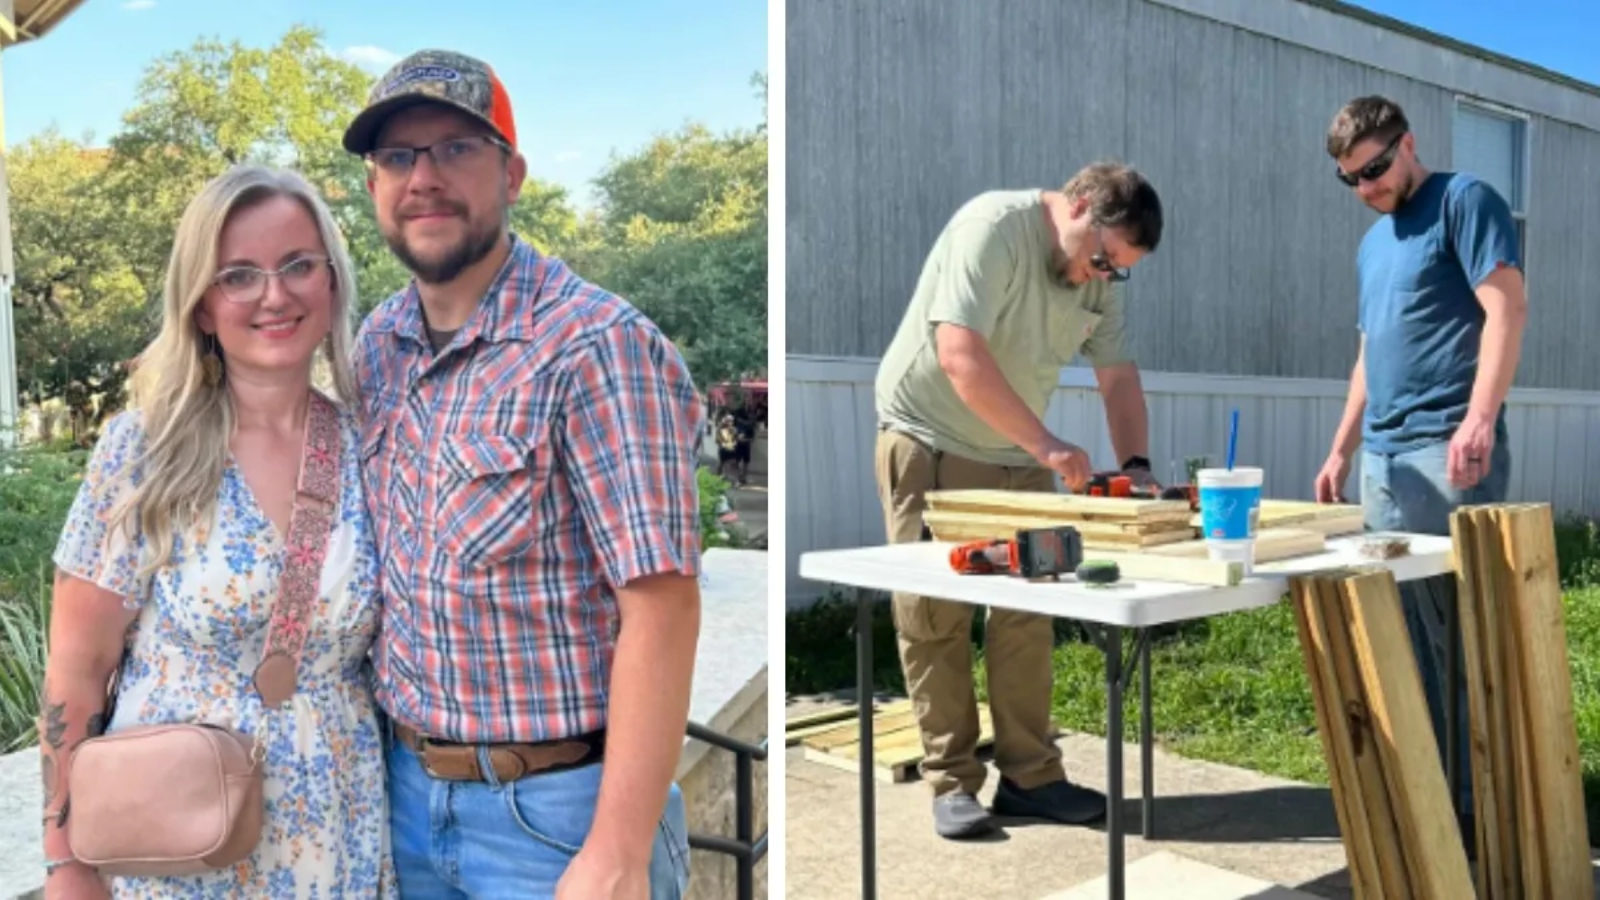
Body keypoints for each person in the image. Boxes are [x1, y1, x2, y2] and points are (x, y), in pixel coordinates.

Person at [342, 50, 702, 899]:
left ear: (513, 173)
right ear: (372, 188)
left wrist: (616, 853)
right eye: (398, 157)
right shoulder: (377, 345)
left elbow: (662, 607)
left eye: (456, 149)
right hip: (403, 801)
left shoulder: (595, 345)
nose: (423, 178)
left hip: (556, 817)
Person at [38, 165, 396, 897]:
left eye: (299, 264)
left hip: (342, 835)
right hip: (179, 849)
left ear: (330, 282)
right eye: (239, 275)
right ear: (202, 305)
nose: (275, 294)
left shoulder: (371, 445)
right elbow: (75, 673)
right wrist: (68, 861)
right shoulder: (143, 451)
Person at [872, 162, 1164, 839]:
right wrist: (1049, 446)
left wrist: (1138, 467)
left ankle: (1032, 779)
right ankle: (951, 782)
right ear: (1079, 207)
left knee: (1029, 612)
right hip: (931, 440)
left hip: (1021, 450)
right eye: (1102, 258)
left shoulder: (1099, 275)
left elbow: (1118, 378)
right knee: (935, 613)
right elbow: (958, 355)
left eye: (1119, 269)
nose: (1104, 275)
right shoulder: (992, 229)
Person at [1314, 95, 1527, 841]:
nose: (1367, 188)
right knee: (1397, 628)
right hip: (1382, 457)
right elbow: (1370, 355)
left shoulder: (1464, 200)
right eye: (1351, 180)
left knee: (1453, 628)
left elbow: (1506, 309)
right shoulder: (1374, 246)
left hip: (1447, 448)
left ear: (1408, 144)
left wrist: (1479, 416)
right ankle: (1422, 792)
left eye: (1374, 169)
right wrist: (1343, 446)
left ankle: (1470, 812)